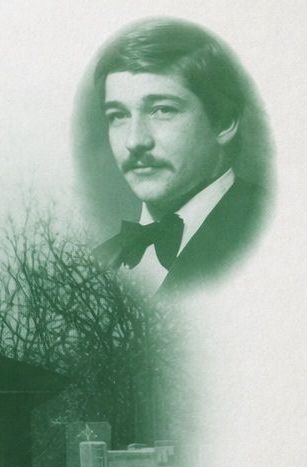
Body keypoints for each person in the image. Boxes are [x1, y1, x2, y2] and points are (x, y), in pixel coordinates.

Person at [87, 18, 272, 296]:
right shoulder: (97, 262)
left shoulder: (268, 234)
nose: (134, 141)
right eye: (118, 115)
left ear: (223, 122)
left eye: (162, 110)